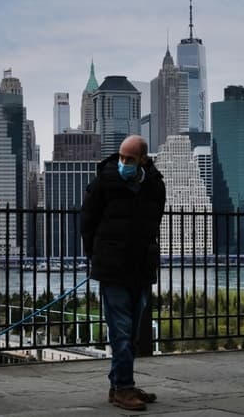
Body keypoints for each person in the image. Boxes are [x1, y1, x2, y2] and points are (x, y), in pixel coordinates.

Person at [80, 135, 166, 411]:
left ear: (143, 159)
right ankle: (123, 388)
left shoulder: (155, 185)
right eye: (121, 157)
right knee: (120, 330)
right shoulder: (104, 182)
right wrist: (97, 257)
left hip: (141, 268)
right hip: (112, 269)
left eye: (129, 158)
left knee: (131, 333)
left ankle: (118, 385)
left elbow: (154, 222)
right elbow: (87, 222)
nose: (123, 162)